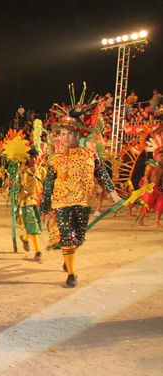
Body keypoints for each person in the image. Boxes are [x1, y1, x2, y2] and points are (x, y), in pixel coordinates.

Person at [40, 117, 121, 287]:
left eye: (69, 134)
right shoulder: (55, 158)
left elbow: (102, 174)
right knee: (67, 236)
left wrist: (114, 195)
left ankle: (69, 257)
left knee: (79, 237)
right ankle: (71, 273)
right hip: (61, 202)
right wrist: (44, 207)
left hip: (84, 202)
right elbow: (48, 184)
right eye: (62, 134)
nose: (65, 137)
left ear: (77, 135)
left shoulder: (90, 154)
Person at [17, 148, 46, 262]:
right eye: (31, 157)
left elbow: (47, 185)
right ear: (28, 157)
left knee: (37, 226)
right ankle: (38, 251)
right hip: (26, 199)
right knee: (32, 223)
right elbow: (16, 184)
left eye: (35, 157)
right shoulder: (22, 170)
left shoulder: (42, 170)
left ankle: (24, 238)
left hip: (37, 199)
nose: (33, 159)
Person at [137, 147, 163, 227]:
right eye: (161, 156)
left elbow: (161, 179)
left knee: (160, 204)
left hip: (157, 188)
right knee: (146, 204)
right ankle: (140, 220)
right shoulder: (150, 166)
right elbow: (146, 177)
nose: (162, 158)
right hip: (149, 187)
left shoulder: (161, 167)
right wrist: (149, 188)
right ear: (156, 156)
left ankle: (157, 222)